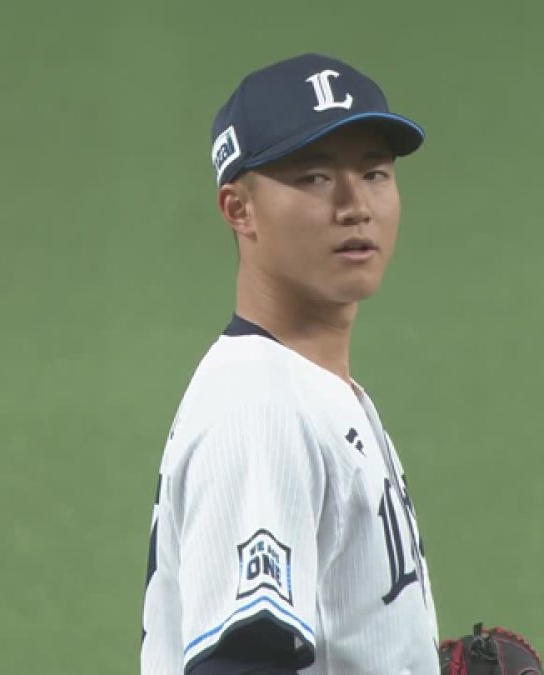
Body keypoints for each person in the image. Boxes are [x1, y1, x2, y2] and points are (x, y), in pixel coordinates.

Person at [139, 53, 439, 675]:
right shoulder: (261, 406)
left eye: (375, 173)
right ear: (238, 209)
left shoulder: (313, 388)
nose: (355, 205)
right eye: (315, 177)